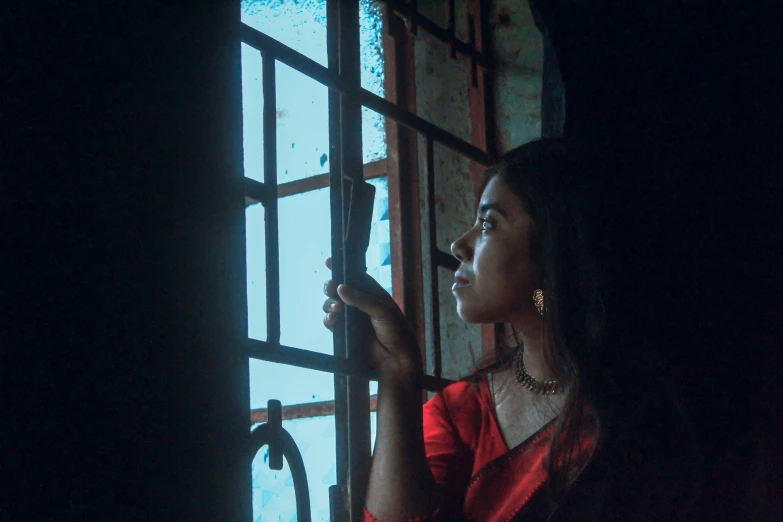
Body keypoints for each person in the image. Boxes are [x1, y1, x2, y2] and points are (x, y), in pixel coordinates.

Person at [321, 138, 703, 521]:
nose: (459, 245)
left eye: (488, 224)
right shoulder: (463, 412)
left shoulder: (656, 404)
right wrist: (397, 368)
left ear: (555, 243)